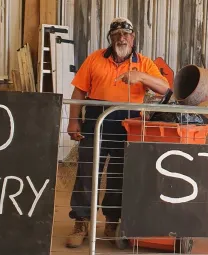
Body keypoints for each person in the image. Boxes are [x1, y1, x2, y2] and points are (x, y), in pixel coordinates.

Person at [66, 17, 169, 248]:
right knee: (86, 171)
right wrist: (74, 121)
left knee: (119, 175)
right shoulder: (94, 58)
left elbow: (165, 89)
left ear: (133, 39)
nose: (122, 38)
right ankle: (81, 221)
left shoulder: (144, 63)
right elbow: (79, 92)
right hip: (95, 120)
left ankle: (112, 221)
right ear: (110, 39)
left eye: (126, 34)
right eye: (117, 35)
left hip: (127, 123)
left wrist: (141, 77)